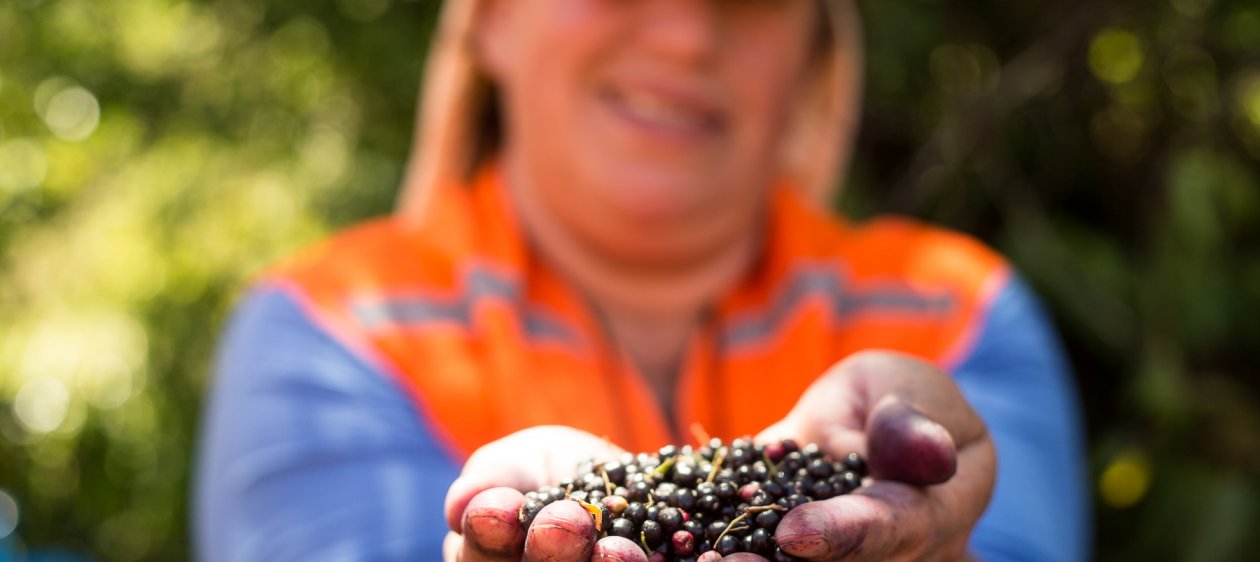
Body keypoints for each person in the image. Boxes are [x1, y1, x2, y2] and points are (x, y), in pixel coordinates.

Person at [195, 0, 1089, 560]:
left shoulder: (954, 312)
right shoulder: (331, 329)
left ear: (815, 57)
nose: (685, 31)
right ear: (492, 19)